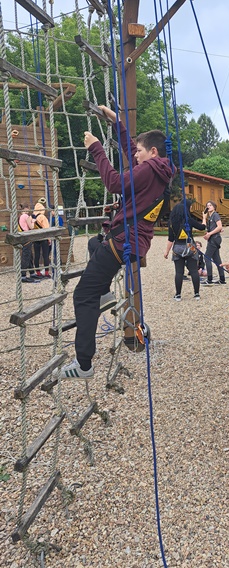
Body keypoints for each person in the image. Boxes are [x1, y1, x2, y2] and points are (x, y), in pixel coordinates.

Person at [57, 105, 172, 381]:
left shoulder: (148, 170)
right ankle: (105, 294)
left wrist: (96, 147)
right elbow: (130, 148)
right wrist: (117, 121)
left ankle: (84, 363)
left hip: (123, 242)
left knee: (83, 296)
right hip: (129, 242)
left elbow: (113, 183)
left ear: (152, 152)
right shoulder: (159, 170)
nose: (135, 155)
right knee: (94, 244)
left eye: (140, 152)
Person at [164, 200, 205, 301]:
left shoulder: (171, 223)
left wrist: (167, 251)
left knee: (179, 272)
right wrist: (204, 218)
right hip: (190, 246)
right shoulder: (189, 220)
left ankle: (178, 295)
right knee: (194, 270)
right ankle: (196, 294)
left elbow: (170, 239)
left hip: (178, 247)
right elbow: (202, 227)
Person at [202, 200, 226, 285]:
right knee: (216, 259)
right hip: (213, 238)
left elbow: (219, 226)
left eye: (210, 205)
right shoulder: (210, 217)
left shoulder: (215, 215)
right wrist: (204, 218)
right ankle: (222, 279)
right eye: (207, 205)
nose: (208, 207)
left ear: (214, 207)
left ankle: (209, 279)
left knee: (207, 257)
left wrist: (210, 234)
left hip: (214, 239)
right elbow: (205, 227)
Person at [18, 204, 40, 283]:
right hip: (27, 237)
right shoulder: (25, 216)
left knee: (30, 255)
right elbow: (31, 227)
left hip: (24, 237)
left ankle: (32, 272)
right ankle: (23, 276)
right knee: (26, 256)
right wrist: (33, 221)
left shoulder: (20, 216)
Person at [32, 201, 51, 278]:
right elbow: (47, 228)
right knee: (45, 255)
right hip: (43, 238)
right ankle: (46, 272)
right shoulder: (43, 217)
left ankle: (38, 272)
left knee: (37, 255)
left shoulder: (32, 217)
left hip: (36, 238)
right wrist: (49, 239)